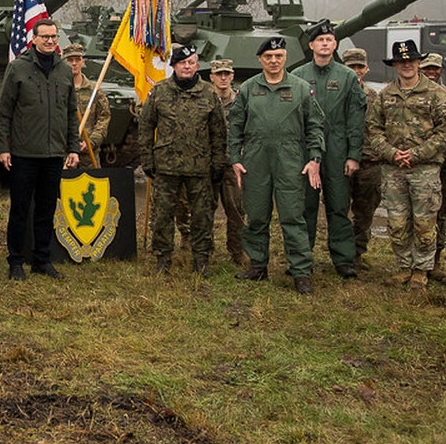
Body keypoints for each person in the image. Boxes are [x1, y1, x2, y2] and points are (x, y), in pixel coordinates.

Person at [228, 37, 325, 294]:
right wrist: (235, 159)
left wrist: (315, 158)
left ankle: (301, 272)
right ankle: (258, 266)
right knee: (257, 216)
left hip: (290, 159)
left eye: (279, 56)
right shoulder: (248, 89)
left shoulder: (301, 88)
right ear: (260, 59)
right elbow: (235, 125)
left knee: (293, 217)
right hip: (256, 160)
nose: (273, 61)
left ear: (285, 58)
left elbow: (315, 126)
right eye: (268, 57)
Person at [364, 40, 446, 290]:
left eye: (411, 61)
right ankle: (404, 266)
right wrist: (392, 153)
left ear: (418, 63)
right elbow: (373, 129)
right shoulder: (386, 94)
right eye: (401, 62)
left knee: (424, 222)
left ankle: (421, 270)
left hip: (424, 169)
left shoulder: (436, 94)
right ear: (395, 65)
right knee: (397, 222)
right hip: (393, 169)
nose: (407, 65)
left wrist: (416, 154)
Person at [0, 19, 80, 280]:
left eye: (54, 37)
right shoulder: (19, 68)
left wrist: (73, 147)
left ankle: (42, 259)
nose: (51, 41)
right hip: (24, 152)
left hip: (54, 153)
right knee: (20, 209)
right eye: (45, 37)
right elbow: (4, 111)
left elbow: (71, 113)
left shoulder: (64, 70)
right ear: (34, 38)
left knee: (46, 209)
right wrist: (2, 148)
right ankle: (16, 261)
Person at [138, 44, 227, 276]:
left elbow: (219, 131)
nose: (187, 67)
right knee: (163, 215)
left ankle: (201, 259)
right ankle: (163, 257)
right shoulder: (159, 91)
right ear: (174, 66)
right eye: (182, 63)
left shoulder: (208, 93)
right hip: (166, 166)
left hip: (200, 166)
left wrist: (219, 162)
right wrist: (147, 160)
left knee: (202, 215)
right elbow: (146, 126)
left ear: (197, 65)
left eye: (191, 63)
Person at [292, 20, 366, 279]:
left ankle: (343, 260)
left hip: (337, 149)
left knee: (338, 206)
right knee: (305, 207)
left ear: (335, 45)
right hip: (307, 151)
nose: (325, 44)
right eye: (320, 40)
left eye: (329, 40)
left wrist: (353, 154)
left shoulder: (346, 77)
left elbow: (355, 118)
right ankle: (302, 259)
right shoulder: (298, 76)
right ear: (311, 45)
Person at [342, 48, 382, 271]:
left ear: (366, 69)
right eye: (351, 67)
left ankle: (357, 253)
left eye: (360, 66)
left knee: (365, 212)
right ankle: (340, 253)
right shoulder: (336, 95)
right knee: (338, 210)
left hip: (369, 162)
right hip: (340, 162)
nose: (356, 71)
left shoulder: (376, 98)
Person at [420, 52, 446, 274]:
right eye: (427, 69)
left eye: (435, 69)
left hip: (445, 164)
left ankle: (435, 259)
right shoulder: (410, 94)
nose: (431, 73)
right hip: (420, 164)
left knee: (440, 212)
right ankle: (418, 260)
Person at [208, 59, 249, 268]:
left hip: (233, 164)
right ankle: (205, 250)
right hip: (209, 163)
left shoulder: (242, 101)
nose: (223, 78)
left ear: (232, 76)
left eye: (227, 74)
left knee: (236, 209)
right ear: (211, 77)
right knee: (205, 209)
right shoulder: (205, 100)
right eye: (219, 74)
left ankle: (237, 250)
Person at [64, 43, 111, 165]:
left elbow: (104, 118)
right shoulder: (59, 90)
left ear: (82, 62)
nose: (74, 63)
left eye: (77, 60)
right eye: (70, 60)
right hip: (65, 154)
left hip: (90, 155)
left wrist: (92, 141)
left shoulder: (94, 91)